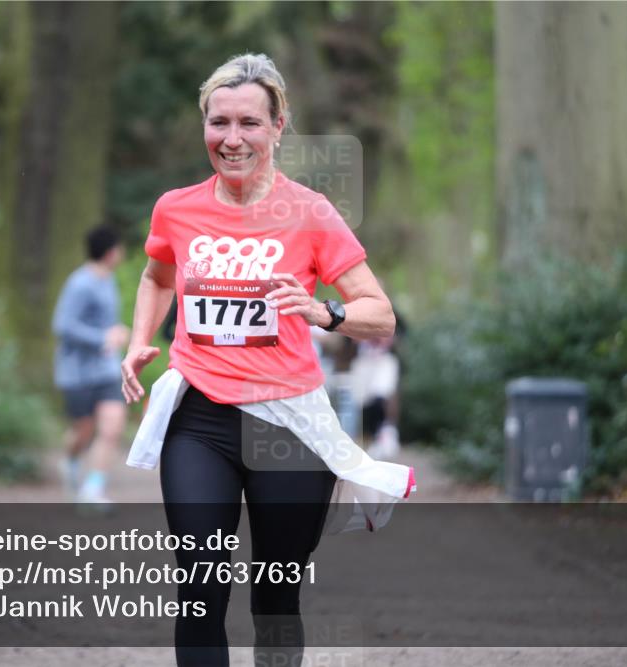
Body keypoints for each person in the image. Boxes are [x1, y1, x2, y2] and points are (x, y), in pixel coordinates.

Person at [120, 53, 414, 667]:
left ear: (279, 126)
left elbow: (379, 314)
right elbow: (155, 275)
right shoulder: (176, 208)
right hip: (199, 419)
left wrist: (321, 311)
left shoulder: (310, 213)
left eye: (249, 123)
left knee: (276, 593)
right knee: (200, 582)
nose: (232, 139)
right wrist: (139, 340)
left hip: (291, 427)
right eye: (218, 122)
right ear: (203, 124)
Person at [51, 225, 129, 504]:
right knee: (83, 431)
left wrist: (115, 333)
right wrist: (102, 337)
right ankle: (71, 459)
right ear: (109, 253)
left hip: (107, 370)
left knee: (112, 426)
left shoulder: (108, 280)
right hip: (77, 372)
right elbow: (62, 325)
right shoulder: (79, 283)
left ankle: (93, 488)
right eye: (118, 248)